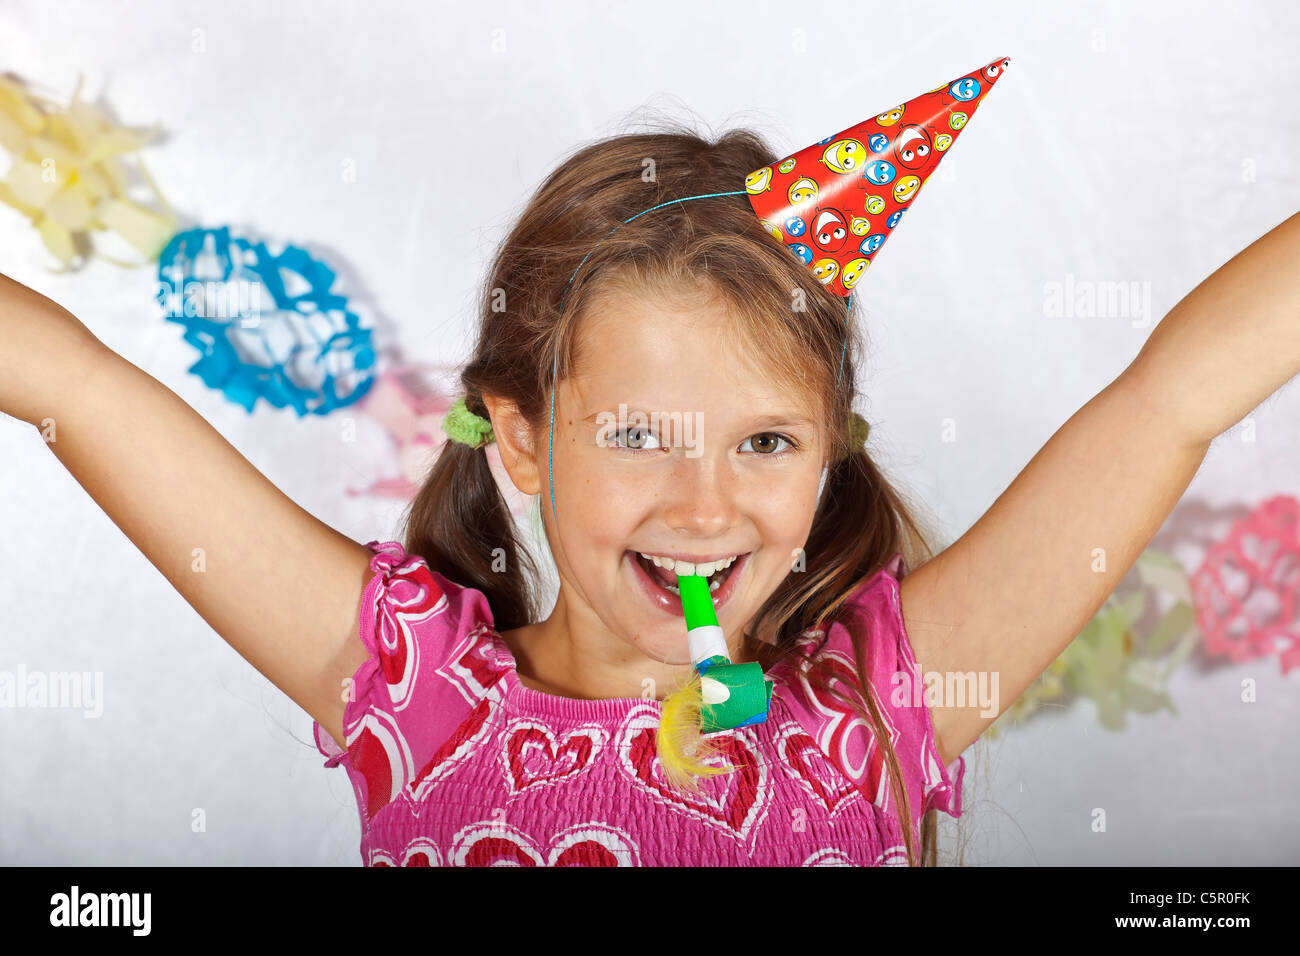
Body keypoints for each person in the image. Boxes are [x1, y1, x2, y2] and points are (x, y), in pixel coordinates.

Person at [4, 113, 1297, 866]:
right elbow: (77, 387)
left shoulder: (886, 706)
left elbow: (1171, 399)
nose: (704, 505)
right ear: (519, 441)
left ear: (831, 447)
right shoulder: (410, 684)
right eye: (636, 434)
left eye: (766, 443)